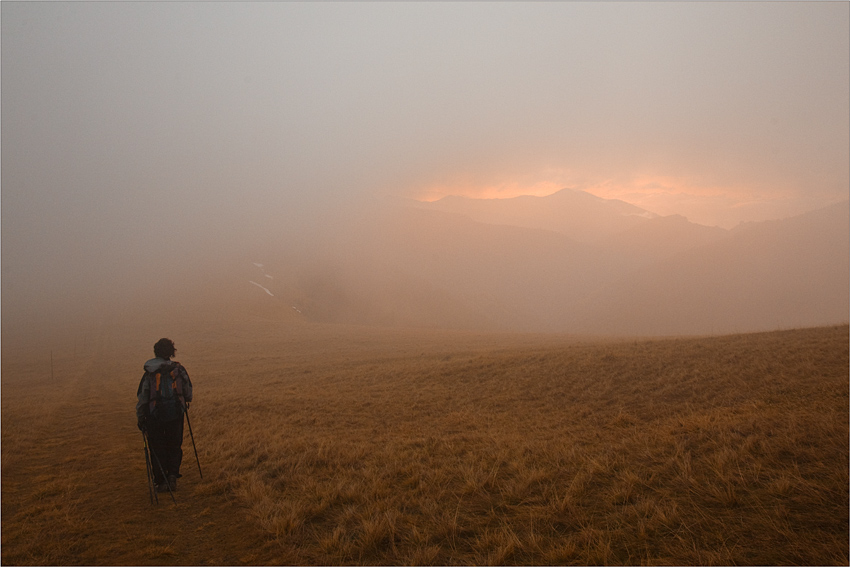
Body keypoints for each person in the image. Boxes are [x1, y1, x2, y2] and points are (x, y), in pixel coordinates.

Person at [136, 338, 193, 493]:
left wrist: (141, 417)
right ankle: (173, 475)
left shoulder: (150, 372)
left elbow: (143, 397)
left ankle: (161, 481)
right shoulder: (178, 369)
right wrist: (185, 401)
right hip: (176, 413)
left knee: (157, 446)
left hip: (154, 415)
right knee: (174, 444)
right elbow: (188, 391)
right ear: (171, 352)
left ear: (156, 351)